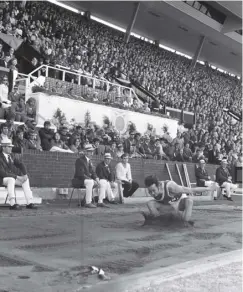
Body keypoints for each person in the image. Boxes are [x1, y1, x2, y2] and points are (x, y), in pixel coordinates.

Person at [144, 175, 217, 227]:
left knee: (189, 201)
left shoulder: (170, 186)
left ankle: (186, 223)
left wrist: (208, 189)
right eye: (150, 191)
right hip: (168, 206)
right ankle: (160, 222)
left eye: (153, 190)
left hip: (179, 203)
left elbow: (191, 190)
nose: (152, 194)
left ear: (158, 186)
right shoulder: (152, 189)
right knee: (150, 203)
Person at [0, 137, 37, 210]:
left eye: (11, 147)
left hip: (11, 177)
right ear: (3, 147)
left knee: (25, 180)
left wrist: (24, 174)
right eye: (9, 147)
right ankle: (12, 203)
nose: (11, 148)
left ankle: (29, 202)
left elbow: (20, 164)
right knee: (11, 180)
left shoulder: (11, 156)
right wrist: (17, 177)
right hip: (1, 179)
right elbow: (2, 173)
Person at [72, 144, 99, 208]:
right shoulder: (80, 160)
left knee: (97, 182)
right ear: (85, 152)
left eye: (92, 151)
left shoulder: (89, 161)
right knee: (90, 182)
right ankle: (88, 202)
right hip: (78, 180)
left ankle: (84, 201)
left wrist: (96, 178)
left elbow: (92, 172)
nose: (91, 153)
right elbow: (80, 174)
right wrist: (91, 179)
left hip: (85, 180)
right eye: (90, 151)